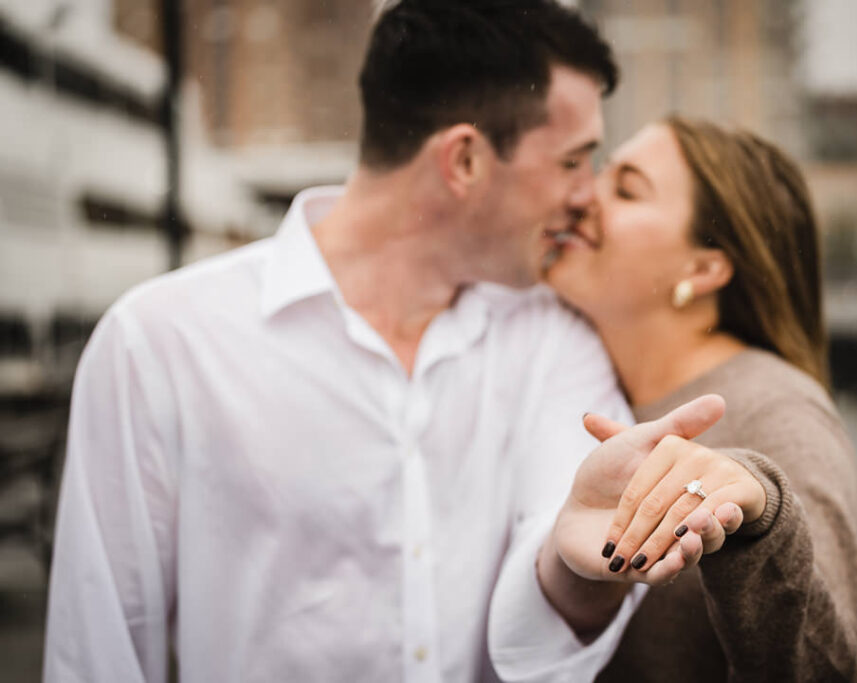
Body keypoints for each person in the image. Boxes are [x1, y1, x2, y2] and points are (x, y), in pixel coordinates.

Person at [44, 3, 733, 681]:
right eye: (574, 162)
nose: (588, 197)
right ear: (464, 159)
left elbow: (561, 549)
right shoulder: (158, 342)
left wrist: (575, 561)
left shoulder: (553, 337)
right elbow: (98, 647)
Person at [544, 116, 857, 681]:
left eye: (625, 189)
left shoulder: (778, 413)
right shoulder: (568, 369)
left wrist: (761, 515)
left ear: (703, 268)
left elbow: (833, 670)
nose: (582, 195)